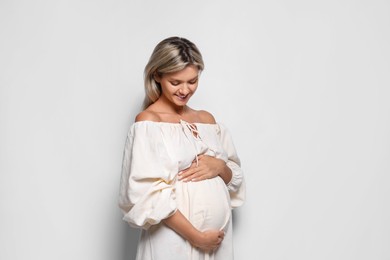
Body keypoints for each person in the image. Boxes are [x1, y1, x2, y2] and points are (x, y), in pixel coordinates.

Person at [119, 36, 245, 260]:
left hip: (217, 242)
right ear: (157, 75)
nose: (185, 90)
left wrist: (219, 167)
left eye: (192, 81)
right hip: (173, 241)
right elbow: (146, 195)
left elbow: (235, 179)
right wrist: (196, 236)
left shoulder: (207, 121)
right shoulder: (149, 122)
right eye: (176, 82)